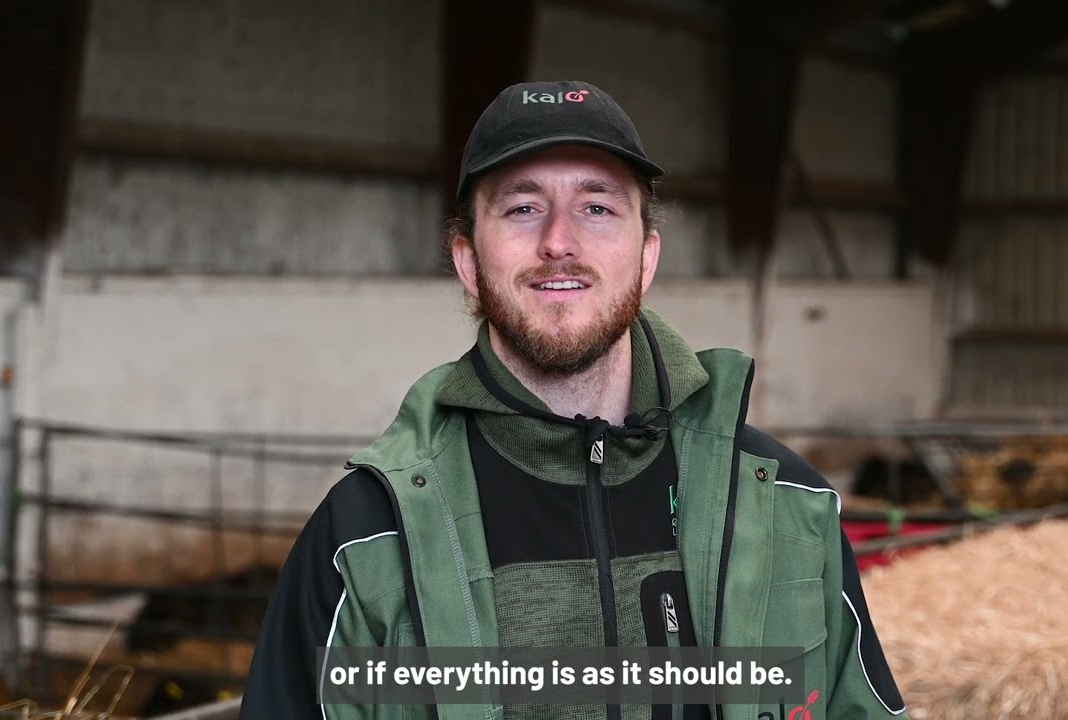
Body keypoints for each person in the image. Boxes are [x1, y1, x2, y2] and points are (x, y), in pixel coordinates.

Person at [238, 80, 908, 720]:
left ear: (645, 257)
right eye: (522, 207)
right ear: (469, 261)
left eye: (597, 206)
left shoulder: (790, 505)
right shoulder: (367, 535)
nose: (559, 241)